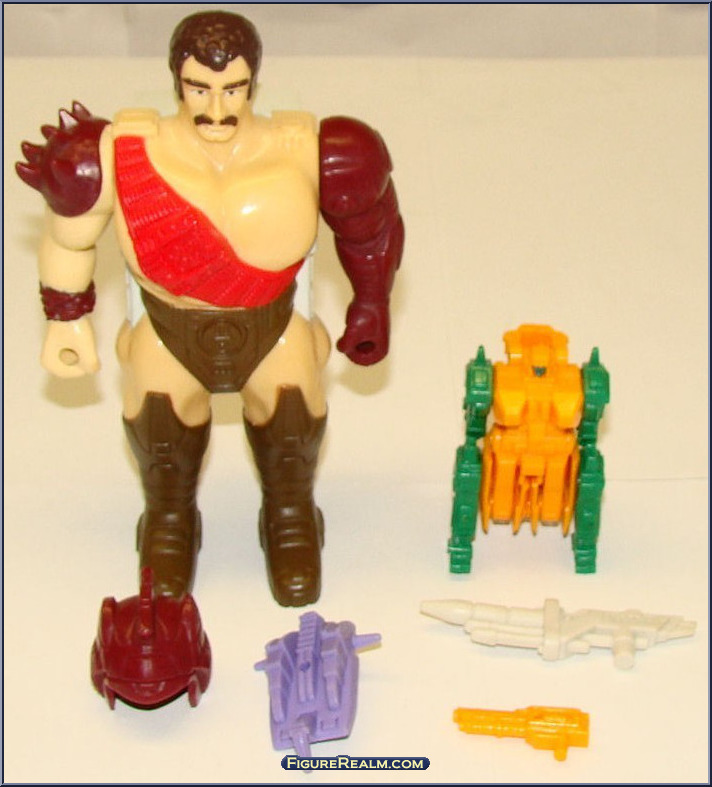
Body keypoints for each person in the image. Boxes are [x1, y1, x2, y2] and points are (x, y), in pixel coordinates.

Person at [17, 11, 403, 612]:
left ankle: (290, 515)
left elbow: (370, 229)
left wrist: (371, 303)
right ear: (177, 79)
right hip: (168, 328)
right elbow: (69, 239)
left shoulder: (306, 148)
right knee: (159, 424)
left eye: (233, 89)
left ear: (254, 82)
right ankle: (169, 520)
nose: (217, 109)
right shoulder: (123, 150)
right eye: (199, 89)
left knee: (292, 414)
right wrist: (66, 316)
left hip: (272, 326)